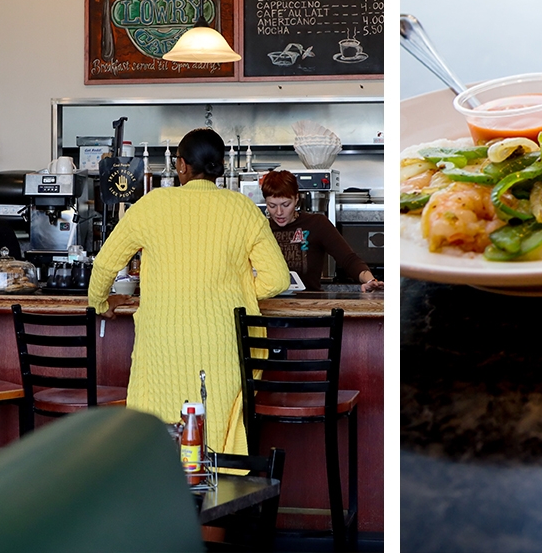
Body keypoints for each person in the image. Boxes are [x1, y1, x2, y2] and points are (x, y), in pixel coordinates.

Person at [88, 128, 289, 454]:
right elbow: (278, 279)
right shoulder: (242, 208)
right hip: (225, 346)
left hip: (161, 345)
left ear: (181, 165)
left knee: (161, 429)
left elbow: (105, 266)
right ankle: (217, 493)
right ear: (219, 166)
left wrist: (100, 303)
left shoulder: (151, 205)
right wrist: (233, 289)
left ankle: (166, 493)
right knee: (215, 426)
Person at [259, 169, 381, 291]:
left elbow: (348, 259)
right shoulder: (260, 228)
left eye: (286, 205)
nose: (279, 212)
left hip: (309, 304)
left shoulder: (316, 224)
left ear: (296, 199)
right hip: (267, 303)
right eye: (272, 206)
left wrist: (370, 281)